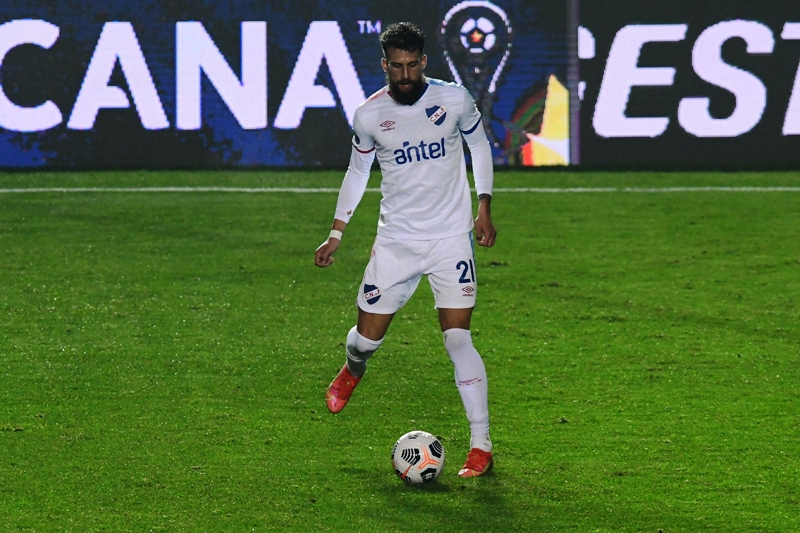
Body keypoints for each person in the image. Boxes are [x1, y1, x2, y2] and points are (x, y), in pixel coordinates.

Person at [314, 22, 497, 478]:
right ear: (385, 65)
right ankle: (352, 370)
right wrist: (337, 232)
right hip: (396, 242)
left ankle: (481, 445)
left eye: (413, 65)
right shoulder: (369, 115)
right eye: (397, 66)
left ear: (424, 62)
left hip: (450, 238)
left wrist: (484, 206)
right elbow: (357, 174)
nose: (406, 74)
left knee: (458, 338)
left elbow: (479, 146)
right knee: (366, 339)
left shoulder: (453, 100)